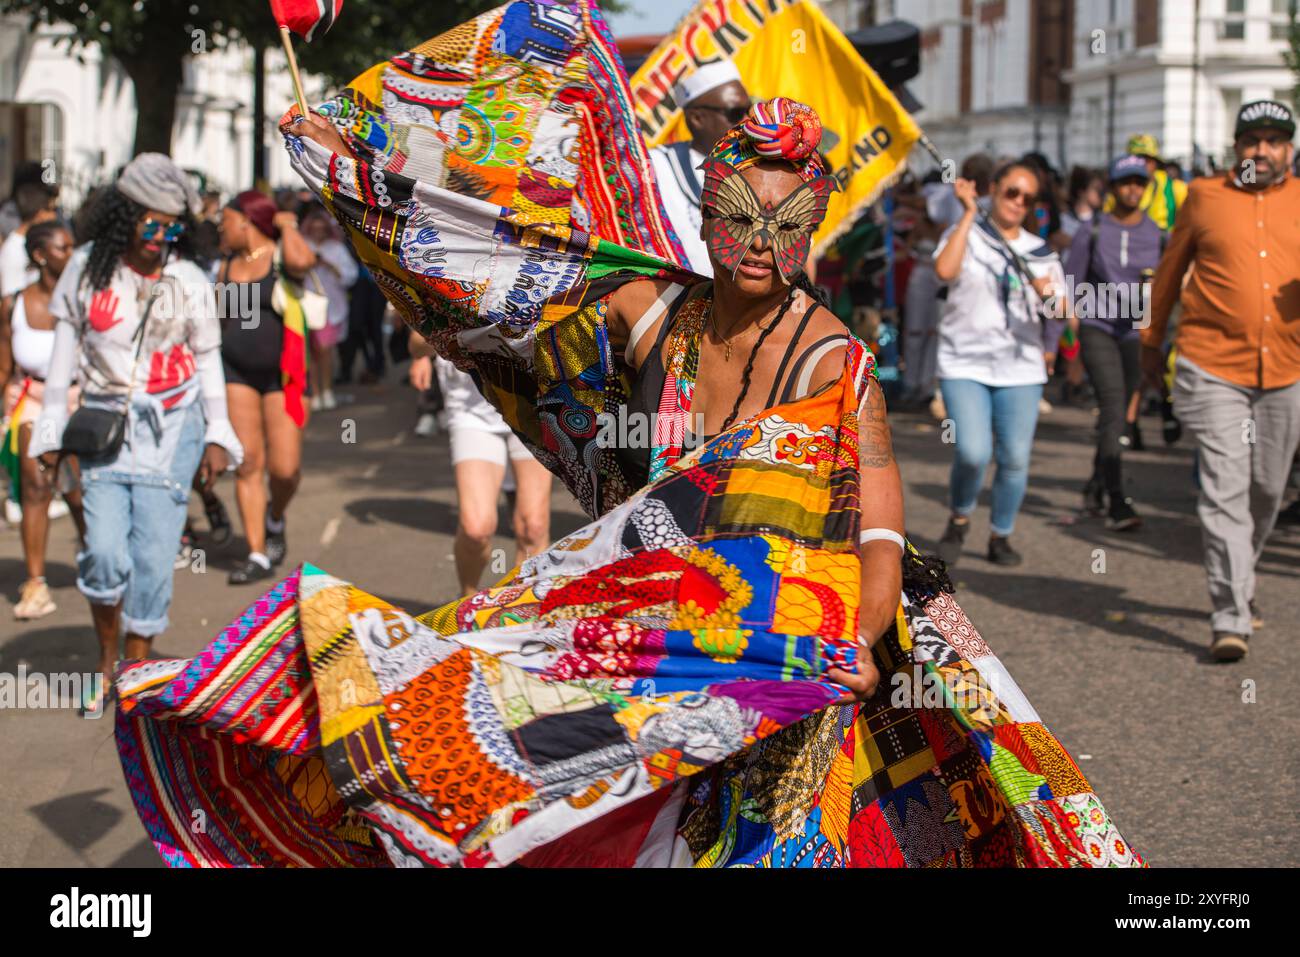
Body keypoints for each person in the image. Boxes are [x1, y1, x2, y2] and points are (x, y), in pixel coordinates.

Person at [113, 5, 1138, 869]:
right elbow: (496, 249)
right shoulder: (652, 312)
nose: (762, 245)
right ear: (706, 212)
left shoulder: (836, 364)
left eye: (790, 224)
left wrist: (855, 641)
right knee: (483, 747)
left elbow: (877, 531)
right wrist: (357, 172)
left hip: (784, 651)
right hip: (644, 627)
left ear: (817, 223)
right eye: (740, 215)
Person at [26, 153, 242, 713]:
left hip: (173, 431)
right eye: (151, 224)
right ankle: (104, 657)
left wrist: (218, 432)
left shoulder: (187, 277)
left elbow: (208, 357)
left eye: (173, 226)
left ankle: (134, 670)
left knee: (151, 558)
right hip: (103, 430)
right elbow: (62, 357)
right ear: (124, 218)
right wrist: (49, 434)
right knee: (101, 553)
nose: (161, 236)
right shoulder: (86, 267)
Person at [1144, 99, 1300, 662]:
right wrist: (1150, 342)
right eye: (1252, 139)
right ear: (1237, 147)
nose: (1263, 149)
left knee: (1267, 491)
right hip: (1213, 367)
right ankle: (1229, 615)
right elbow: (1168, 274)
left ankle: (1243, 578)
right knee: (1225, 490)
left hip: (1288, 368)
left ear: (1289, 149)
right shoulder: (1204, 197)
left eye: (1274, 140)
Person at [932, 161, 1067, 566]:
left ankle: (1000, 534)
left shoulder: (1039, 252)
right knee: (973, 452)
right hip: (963, 363)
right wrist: (969, 213)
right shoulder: (966, 235)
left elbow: (1063, 311)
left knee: (1014, 458)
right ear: (993, 189)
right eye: (1011, 192)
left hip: (1020, 367)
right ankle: (959, 518)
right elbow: (944, 270)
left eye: (1027, 198)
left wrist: (1050, 297)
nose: (1018, 202)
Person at [215, 189, 316, 584]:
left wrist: (288, 223)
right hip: (235, 372)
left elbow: (303, 262)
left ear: (245, 220)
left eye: (226, 221)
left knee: (286, 470)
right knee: (248, 462)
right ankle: (256, 552)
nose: (221, 229)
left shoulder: (279, 254)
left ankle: (275, 517)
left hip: (283, 376)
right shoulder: (224, 265)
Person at [1066, 155, 1164, 530]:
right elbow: (1071, 281)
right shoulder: (1091, 229)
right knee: (1111, 405)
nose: (1133, 190)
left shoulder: (1156, 233)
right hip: (1097, 324)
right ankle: (1117, 498)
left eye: (1140, 183)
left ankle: (1094, 484)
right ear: (1113, 187)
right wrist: (1059, 336)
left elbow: (1165, 286)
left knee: (1121, 412)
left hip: (1136, 331)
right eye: (1126, 183)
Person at [409, 345, 552, 595]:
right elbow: (415, 340)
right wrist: (423, 350)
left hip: (533, 400)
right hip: (472, 408)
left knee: (534, 526)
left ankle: (518, 612)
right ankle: (467, 600)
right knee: (476, 528)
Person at [0, 221, 86, 618]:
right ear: (39, 255)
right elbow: (4, 366)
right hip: (32, 399)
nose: (70, 254)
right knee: (35, 482)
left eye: (72, 247)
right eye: (62, 248)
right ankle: (35, 583)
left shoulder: (86, 297)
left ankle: (96, 560)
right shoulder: (13, 303)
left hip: (79, 398)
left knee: (79, 491)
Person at [648, 59, 750, 275]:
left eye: (748, 110)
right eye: (735, 113)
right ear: (697, 119)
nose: (746, 121)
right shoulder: (655, 167)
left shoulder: (760, 167)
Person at [301, 204, 358, 411]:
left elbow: (350, 276)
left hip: (331, 308)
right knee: (312, 351)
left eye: (321, 228)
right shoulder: (302, 246)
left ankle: (326, 390)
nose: (318, 232)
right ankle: (315, 391)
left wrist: (329, 265)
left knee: (325, 350)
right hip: (305, 304)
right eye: (314, 228)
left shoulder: (336, 249)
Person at [1108, 134, 1187, 232]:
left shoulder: (1176, 188)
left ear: (1156, 162)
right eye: (1137, 159)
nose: (1141, 164)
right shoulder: (1117, 191)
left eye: (1147, 160)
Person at [0, 179, 58, 298]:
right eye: (50, 210)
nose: (54, 216)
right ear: (39, 215)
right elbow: (10, 302)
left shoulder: (35, 242)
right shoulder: (14, 251)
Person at [1060, 165, 1104, 240]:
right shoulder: (1063, 221)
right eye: (1096, 189)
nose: (1100, 193)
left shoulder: (1104, 220)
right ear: (1081, 192)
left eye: (1101, 189)